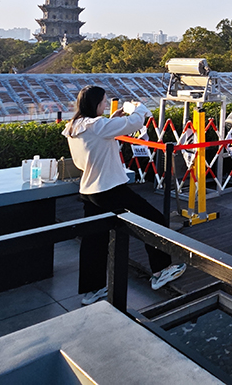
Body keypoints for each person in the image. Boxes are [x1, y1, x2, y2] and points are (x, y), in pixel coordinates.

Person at [63, 86, 186, 305]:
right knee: (153, 220)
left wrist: (111, 120)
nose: (105, 103)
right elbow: (135, 123)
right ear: (96, 104)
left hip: (89, 190)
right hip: (110, 188)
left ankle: (92, 290)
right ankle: (161, 270)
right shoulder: (99, 126)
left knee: (94, 241)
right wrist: (138, 109)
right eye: (103, 101)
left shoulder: (74, 126)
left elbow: (98, 138)